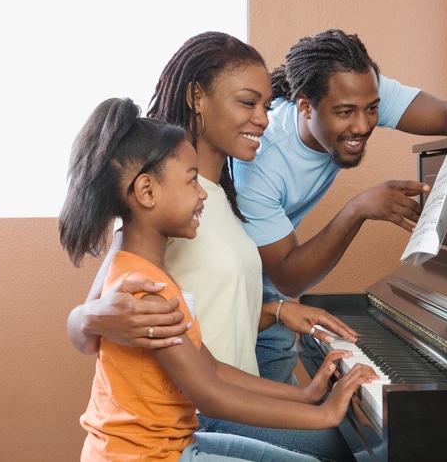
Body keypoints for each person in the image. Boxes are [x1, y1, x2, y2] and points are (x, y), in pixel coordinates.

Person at [66, 32, 362, 461]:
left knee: (348, 438)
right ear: (197, 97)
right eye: (248, 103)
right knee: (345, 446)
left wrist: (278, 313)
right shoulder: (161, 213)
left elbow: (211, 327)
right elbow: (96, 313)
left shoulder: (212, 198)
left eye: (266, 105)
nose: (263, 118)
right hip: (202, 408)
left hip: (216, 391)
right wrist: (93, 315)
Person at [231, 29, 447, 384]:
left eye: (372, 109)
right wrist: (357, 208)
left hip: (272, 289)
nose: (363, 124)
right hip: (245, 294)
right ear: (305, 105)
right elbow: (288, 276)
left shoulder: (359, 89)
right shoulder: (260, 161)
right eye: (345, 112)